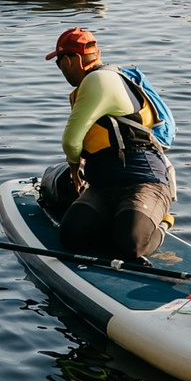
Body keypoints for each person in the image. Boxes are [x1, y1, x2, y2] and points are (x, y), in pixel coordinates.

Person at [37, 28, 175, 261]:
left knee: (130, 245)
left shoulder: (97, 81)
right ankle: (120, 218)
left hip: (143, 183)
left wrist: (73, 167)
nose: (60, 70)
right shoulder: (99, 80)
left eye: (59, 63)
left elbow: (71, 141)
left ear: (73, 60)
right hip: (104, 187)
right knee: (71, 236)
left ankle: (163, 223)